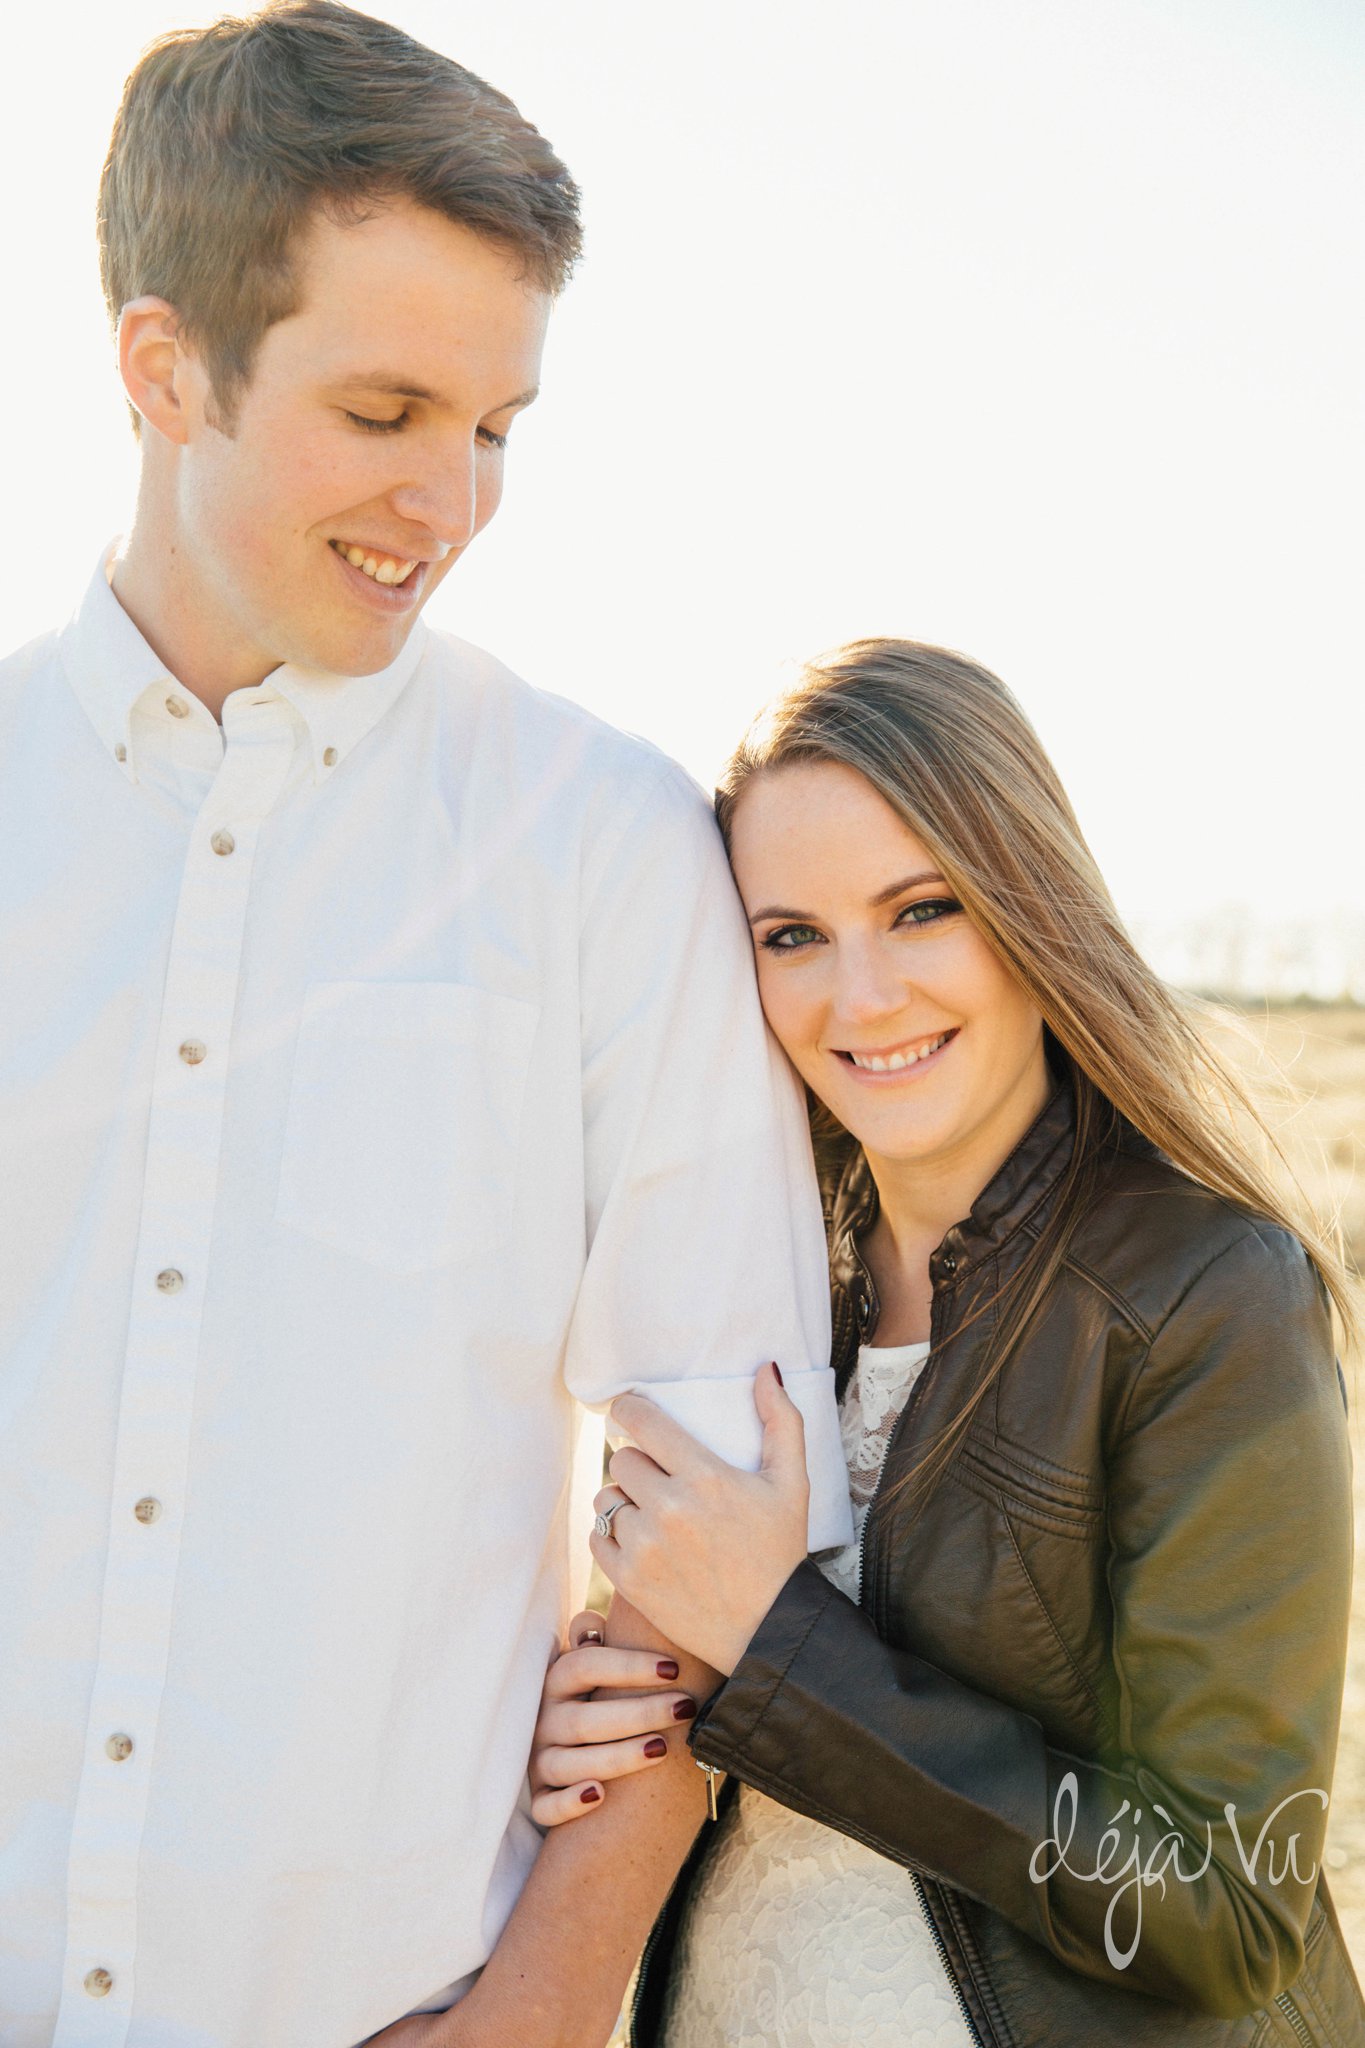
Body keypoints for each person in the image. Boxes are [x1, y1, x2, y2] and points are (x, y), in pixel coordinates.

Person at [0, 7, 855, 2044]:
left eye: (496, 424)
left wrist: (546, 2006)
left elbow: (726, 1509)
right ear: (160, 366)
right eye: (385, 409)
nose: (452, 499)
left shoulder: (602, 845)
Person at [532, 639, 1365, 2046]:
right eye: (788, 935)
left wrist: (777, 1647)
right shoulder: (755, 1274)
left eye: (918, 910)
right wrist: (599, 1726)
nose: (858, 998)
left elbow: (1227, 1909)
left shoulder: (1206, 1290)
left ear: (1026, 903)